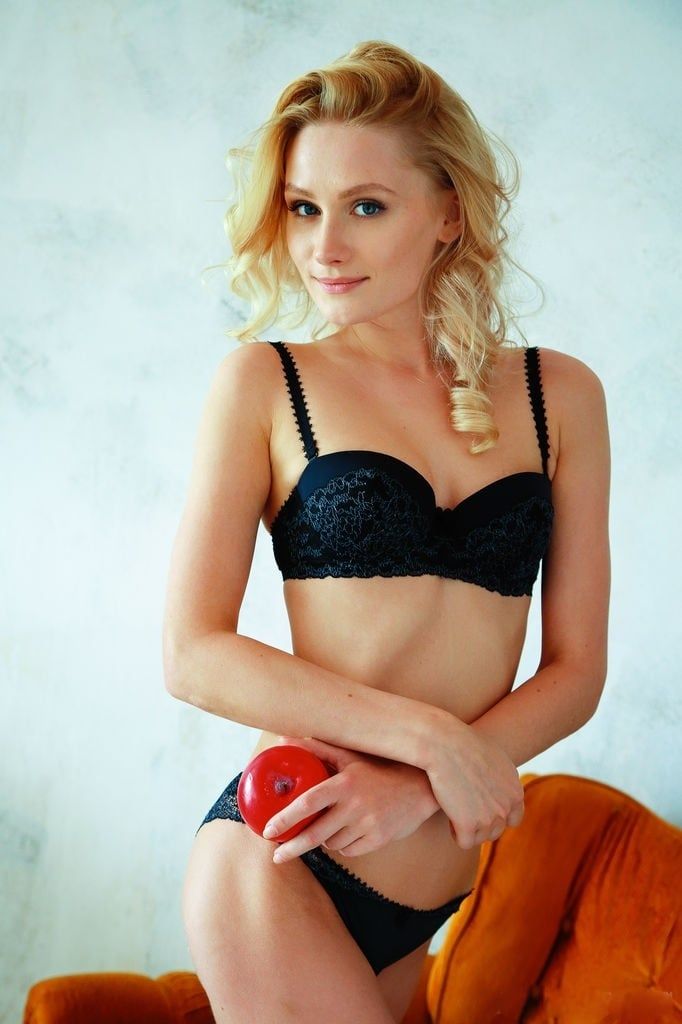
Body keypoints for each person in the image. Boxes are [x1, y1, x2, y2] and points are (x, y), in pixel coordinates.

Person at [162, 39, 611, 1024]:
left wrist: (424, 784)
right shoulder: (266, 384)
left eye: (365, 206)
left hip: (424, 881)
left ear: (447, 212)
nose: (324, 246)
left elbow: (576, 669)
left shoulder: (560, 396)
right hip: (285, 853)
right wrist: (430, 740)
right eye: (302, 207)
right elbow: (192, 654)